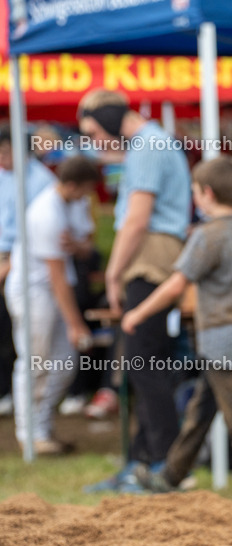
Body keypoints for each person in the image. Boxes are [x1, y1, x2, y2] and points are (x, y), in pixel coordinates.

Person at [124, 156, 232, 496]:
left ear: (207, 193)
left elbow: (176, 285)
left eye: (194, 192)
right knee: (202, 410)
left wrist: (138, 313)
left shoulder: (208, 236)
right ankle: (171, 476)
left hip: (219, 339)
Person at [77, 90, 191, 490]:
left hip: (150, 256)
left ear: (110, 119)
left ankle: (165, 466)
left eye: (94, 132)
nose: (94, 142)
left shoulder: (147, 145)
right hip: (153, 255)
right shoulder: (150, 143)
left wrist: (113, 273)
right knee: (143, 362)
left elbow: (138, 219)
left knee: (145, 362)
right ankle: (143, 462)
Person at [5, 156, 100, 453]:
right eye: (86, 188)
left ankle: (42, 429)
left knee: (64, 362)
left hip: (53, 289)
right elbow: (56, 275)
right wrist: (76, 324)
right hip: (34, 290)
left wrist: (80, 246)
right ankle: (29, 434)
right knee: (35, 361)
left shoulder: (72, 203)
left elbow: (87, 243)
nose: (88, 195)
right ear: (72, 185)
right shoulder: (46, 212)